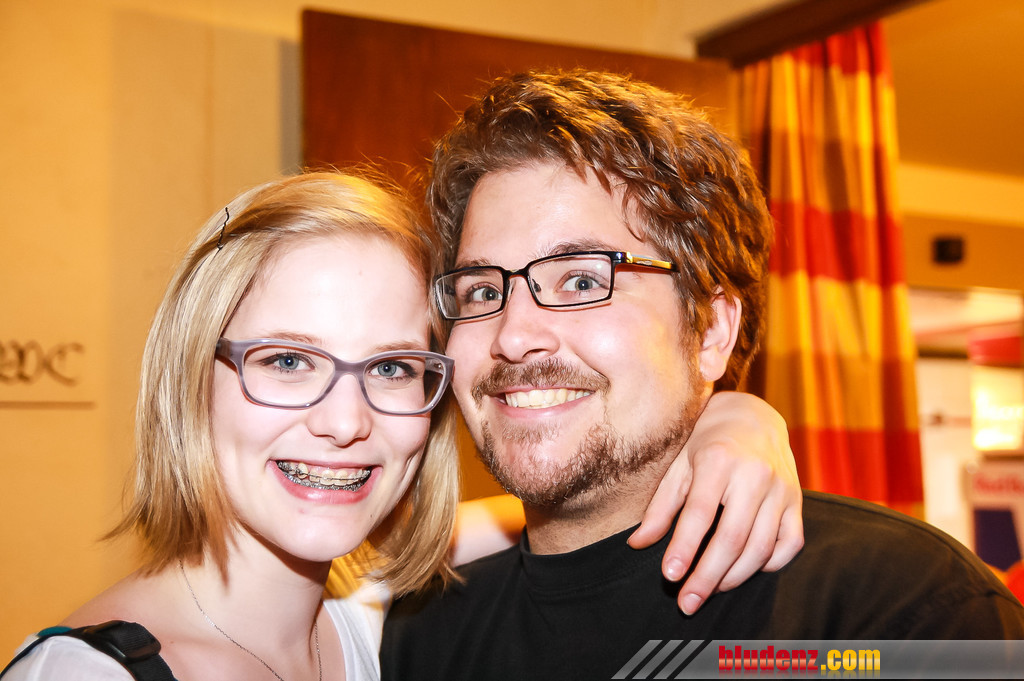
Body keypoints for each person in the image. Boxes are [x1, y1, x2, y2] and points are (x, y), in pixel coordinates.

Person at [3, 170, 802, 681]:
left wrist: (727, 415)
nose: (345, 421)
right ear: (190, 378)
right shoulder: (87, 675)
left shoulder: (367, 619)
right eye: (288, 360)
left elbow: (570, 506)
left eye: (389, 367)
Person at [380, 69, 1024, 681]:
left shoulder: (900, 613)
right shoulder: (421, 634)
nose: (513, 335)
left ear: (712, 331)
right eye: (481, 290)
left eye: (581, 280)